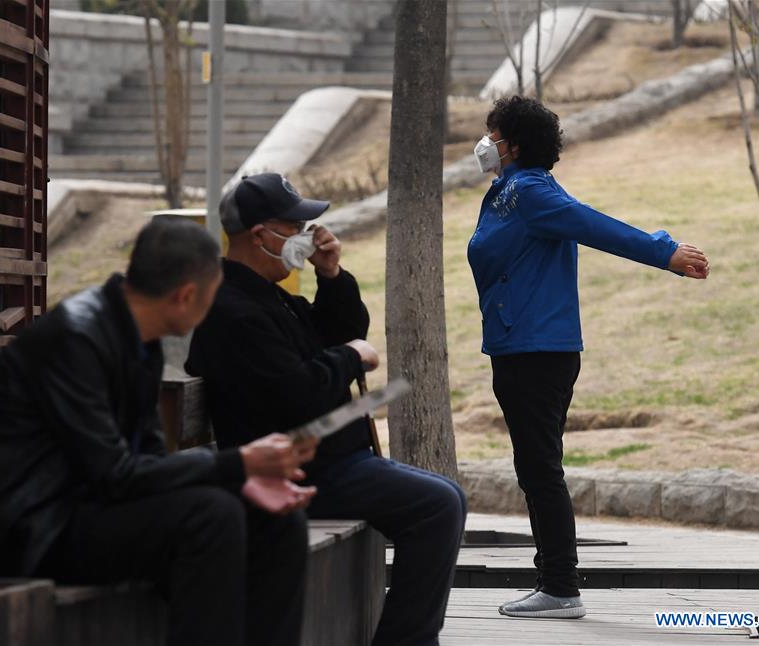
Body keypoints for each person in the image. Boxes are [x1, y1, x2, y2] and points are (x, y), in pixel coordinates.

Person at [0, 216, 318, 646]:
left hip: (85, 506)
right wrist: (237, 463)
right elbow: (114, 474)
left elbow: (148, 462)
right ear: (186, 295)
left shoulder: (138, 336)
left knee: (277, 521)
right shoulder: (75, 339)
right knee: (211, 517)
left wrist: (237, 478)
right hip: (25, 528)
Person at [186, 173, 468, 646]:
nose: (305, 237)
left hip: (333, 458)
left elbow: (335, 330)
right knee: (437, 506)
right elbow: (297, 391)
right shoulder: (233, 309)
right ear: (261, 235)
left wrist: (331, 274)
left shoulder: (266, 295)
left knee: (446, 497)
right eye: (294, 227)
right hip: (298, 472)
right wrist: (351, 357)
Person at [468, 96, 710, 619]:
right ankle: (557, 584)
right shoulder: (509, 191)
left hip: (537, 351)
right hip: (522, 346)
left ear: (512, 144)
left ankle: (559, 588)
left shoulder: (529, 192)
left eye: (493, 134)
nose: (484, 143)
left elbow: (593, 225)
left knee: (539, 470)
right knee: (536, 468)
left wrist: (662, 252)